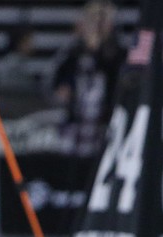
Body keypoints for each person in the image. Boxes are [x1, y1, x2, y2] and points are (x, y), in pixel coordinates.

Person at [49, 0, 124, 158]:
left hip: (105, 126)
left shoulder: (117, 54)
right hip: (75, 125)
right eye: (93, 20)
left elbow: (118, 82)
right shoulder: (72, 52)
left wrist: (97, 50)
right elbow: (56, 81)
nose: (96, 26)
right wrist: (63, 88)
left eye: (101, 20)